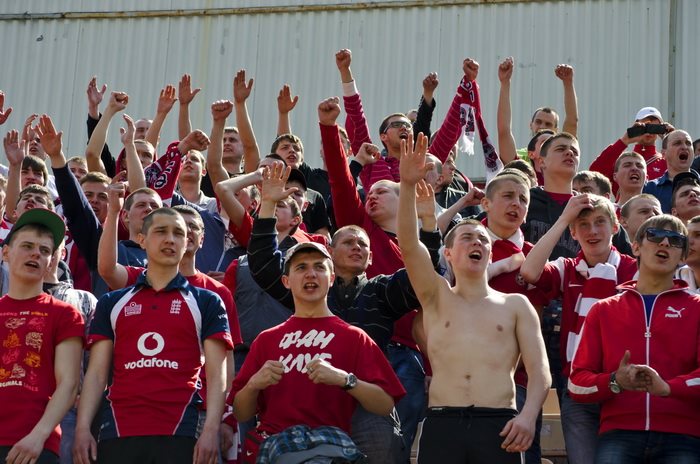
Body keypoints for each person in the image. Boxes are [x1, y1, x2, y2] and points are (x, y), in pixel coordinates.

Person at [246, 162, 441, 459]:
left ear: (371, 258)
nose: (356, 247)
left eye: (363, 245)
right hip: (311, 398)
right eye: (348, 242)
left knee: (384, 448)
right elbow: (263, 266)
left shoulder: (381, 291)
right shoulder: (309, 289)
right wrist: (269, 206)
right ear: (330, 252)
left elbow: (422, 277)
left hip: (368, 400)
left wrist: (428, 224)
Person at [397, 133, 550, 463]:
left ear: (491, 252)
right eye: (466, 237)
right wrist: (407, 186)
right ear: (448, 253)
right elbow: (408, 245)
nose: (476, 242)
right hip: (443, 422)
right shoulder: (435, 296)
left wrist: (527, 416)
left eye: (482, 239)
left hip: (498, 422)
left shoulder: (516, 305)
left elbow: (540, 371)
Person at [73, 208, 233, 464]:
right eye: (161, 231)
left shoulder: (208, 301)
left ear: (186, 243)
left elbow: (217, 374)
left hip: (182, 429)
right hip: (118, 429)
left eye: (178, 233)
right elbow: (96, 374)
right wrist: (82, 429)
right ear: (142, 239)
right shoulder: (112, 302)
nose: (170, 239)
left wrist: (211, 429)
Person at [229, 241, 405, 462]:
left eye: (319, 267)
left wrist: (345, 380)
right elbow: (241, 412)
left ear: (331, 278)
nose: (311, 274)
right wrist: (254, 384)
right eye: (301, 267)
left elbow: (385, 404)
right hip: (276, 448)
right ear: (286, 281)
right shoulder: (266, 340)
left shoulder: (354, 337)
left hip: (330, 448)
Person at [569, 214, 700, 462]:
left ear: (683, 257)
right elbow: (576, 382)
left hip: (683, 435)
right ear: (636, 247)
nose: (665, 243)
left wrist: (668, 388)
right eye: (655, 235)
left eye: (675, 240)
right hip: (619, 432)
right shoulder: (603, 310)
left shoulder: (697, 308)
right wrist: (615, 381)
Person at [521, 193, 638, 463]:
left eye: (600, 222)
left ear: (615, 226)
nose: (592, 231)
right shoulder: (568, 268)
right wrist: (564, 219)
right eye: (583, 224)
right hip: (578, 390)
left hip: (625, 387)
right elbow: (529, 272)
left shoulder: (635, 270)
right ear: (573, 233)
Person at [0, 209, 84, 464]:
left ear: (51, 262)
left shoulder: (65, 314)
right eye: (27, 246)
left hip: (36, 446)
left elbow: (69, 384)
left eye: (45, 250)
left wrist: (38, 436)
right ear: (6, 253)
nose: (36, 253)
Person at [590, 106, 672, 194]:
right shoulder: (621, 161)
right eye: (646, 126)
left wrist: (672, 139)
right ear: (637, 126)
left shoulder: (667, 161)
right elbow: (594, 173)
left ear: (661, 130)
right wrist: (624, 141)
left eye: (654, 127)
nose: (649, 132)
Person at [643, 129, 695, 212]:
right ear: (664, 154)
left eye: (688, 143)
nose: (684, 147)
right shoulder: (650, 189)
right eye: (677, 143)